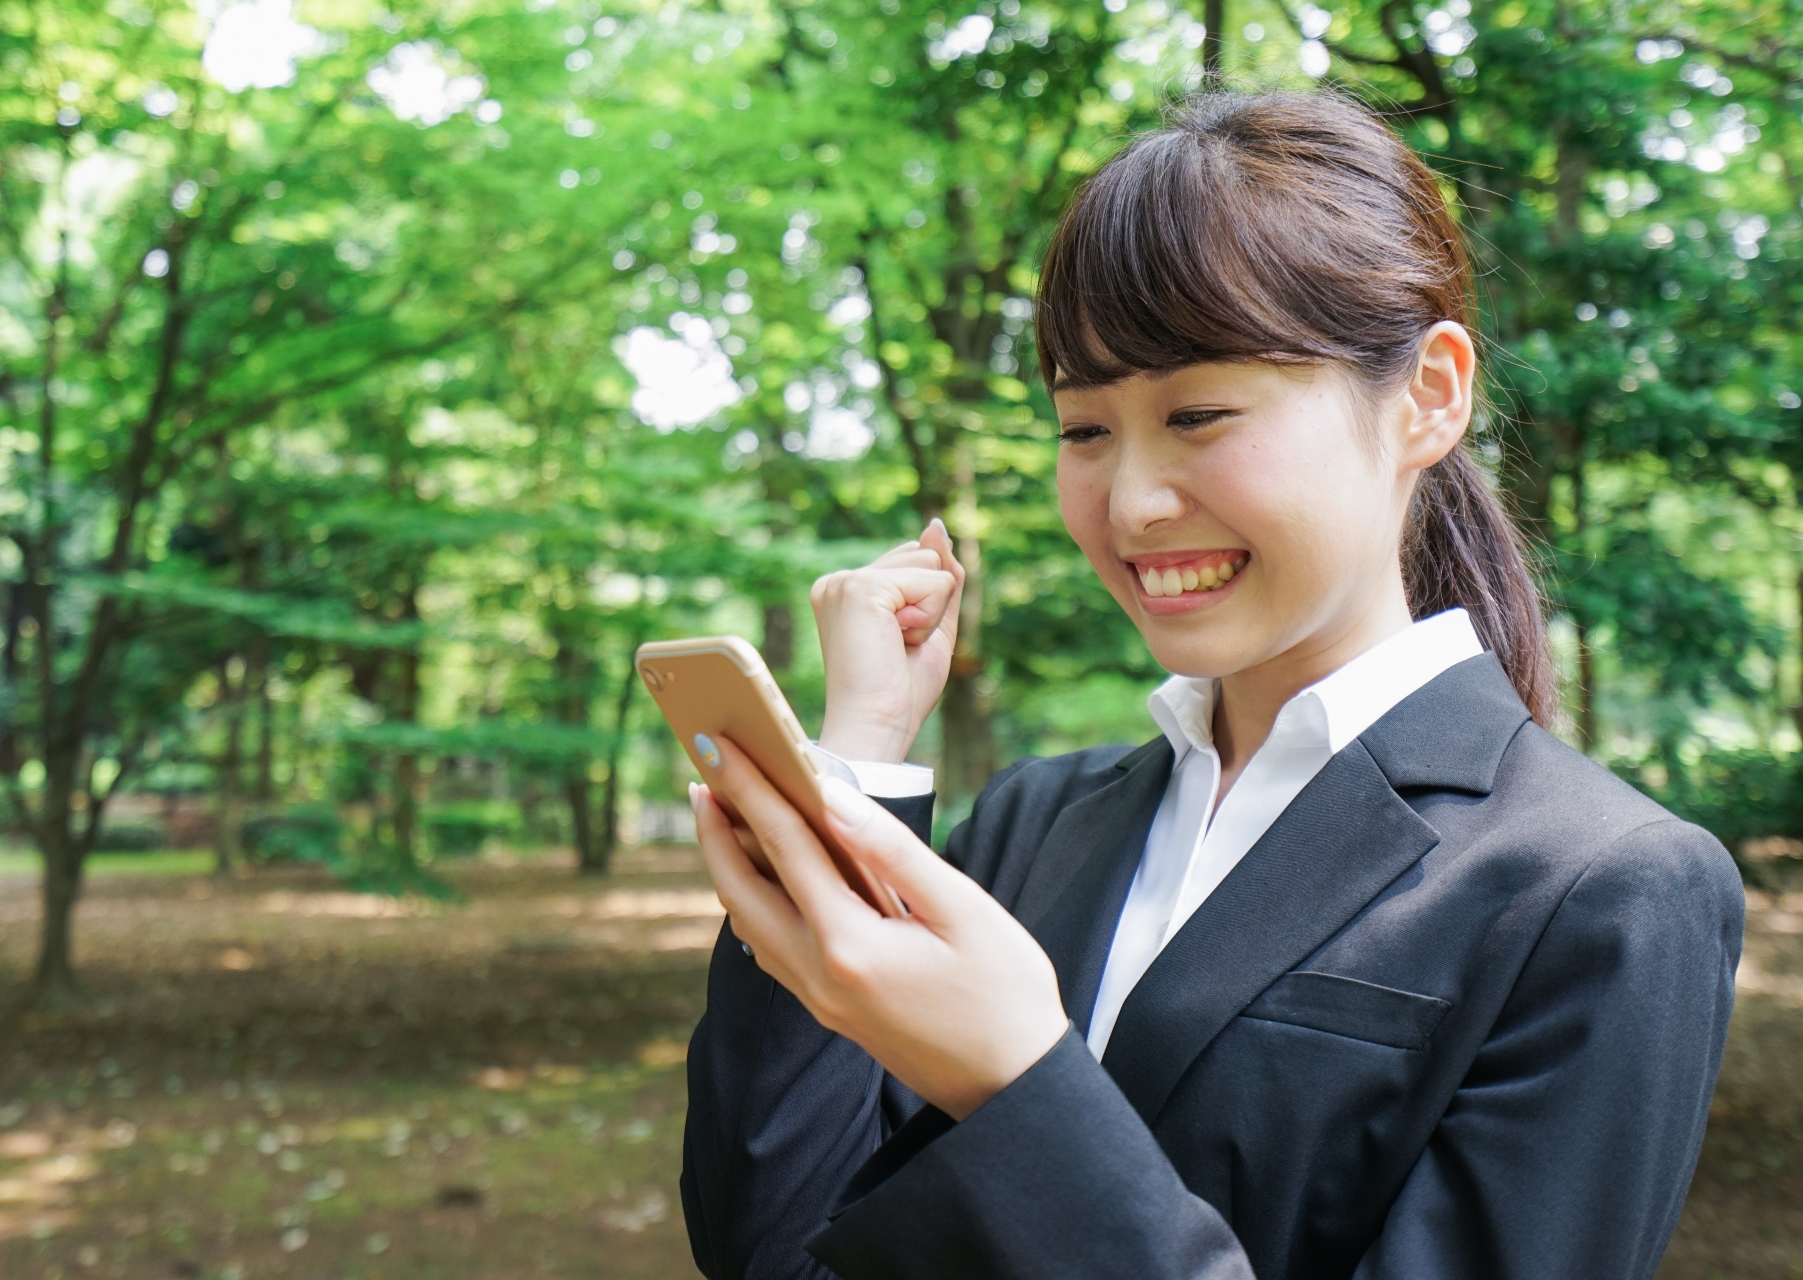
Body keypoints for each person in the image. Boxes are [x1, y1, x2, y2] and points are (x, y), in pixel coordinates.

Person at [678, 91, 1744, 1280]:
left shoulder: (1602, 886)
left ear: (1430, 396)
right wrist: (864, 755)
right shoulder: (1039, 822)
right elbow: (776, 1247)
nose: (1131, 503)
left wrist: (1019, 1081)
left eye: (1199, 413)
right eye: (1085, 430)